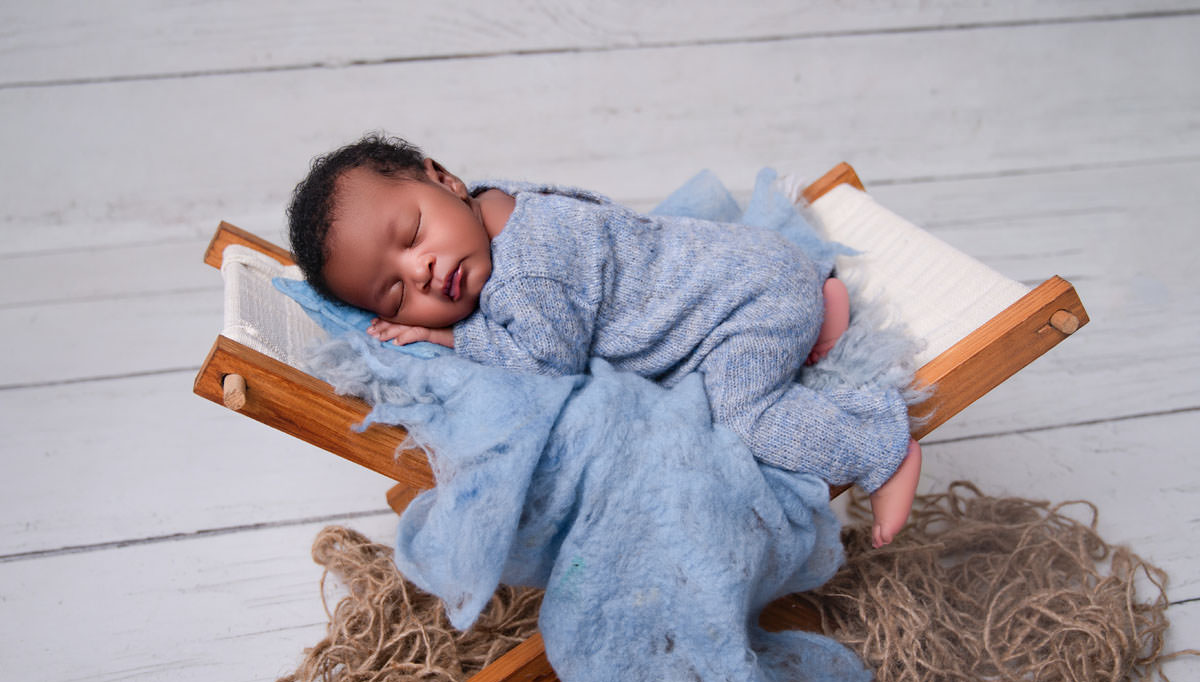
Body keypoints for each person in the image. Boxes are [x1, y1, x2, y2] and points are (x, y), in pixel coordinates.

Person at [287, 135, 921, 547]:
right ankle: (819, 306)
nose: (422, 270)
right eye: (397, 294)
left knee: (742, 418)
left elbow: (546, 369)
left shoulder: (528, 275)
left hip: (746, 309)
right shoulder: (498, 202)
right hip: (750, 264)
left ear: (444, 179)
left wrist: (445, 336)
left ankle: (878, 445)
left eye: (413, 233)